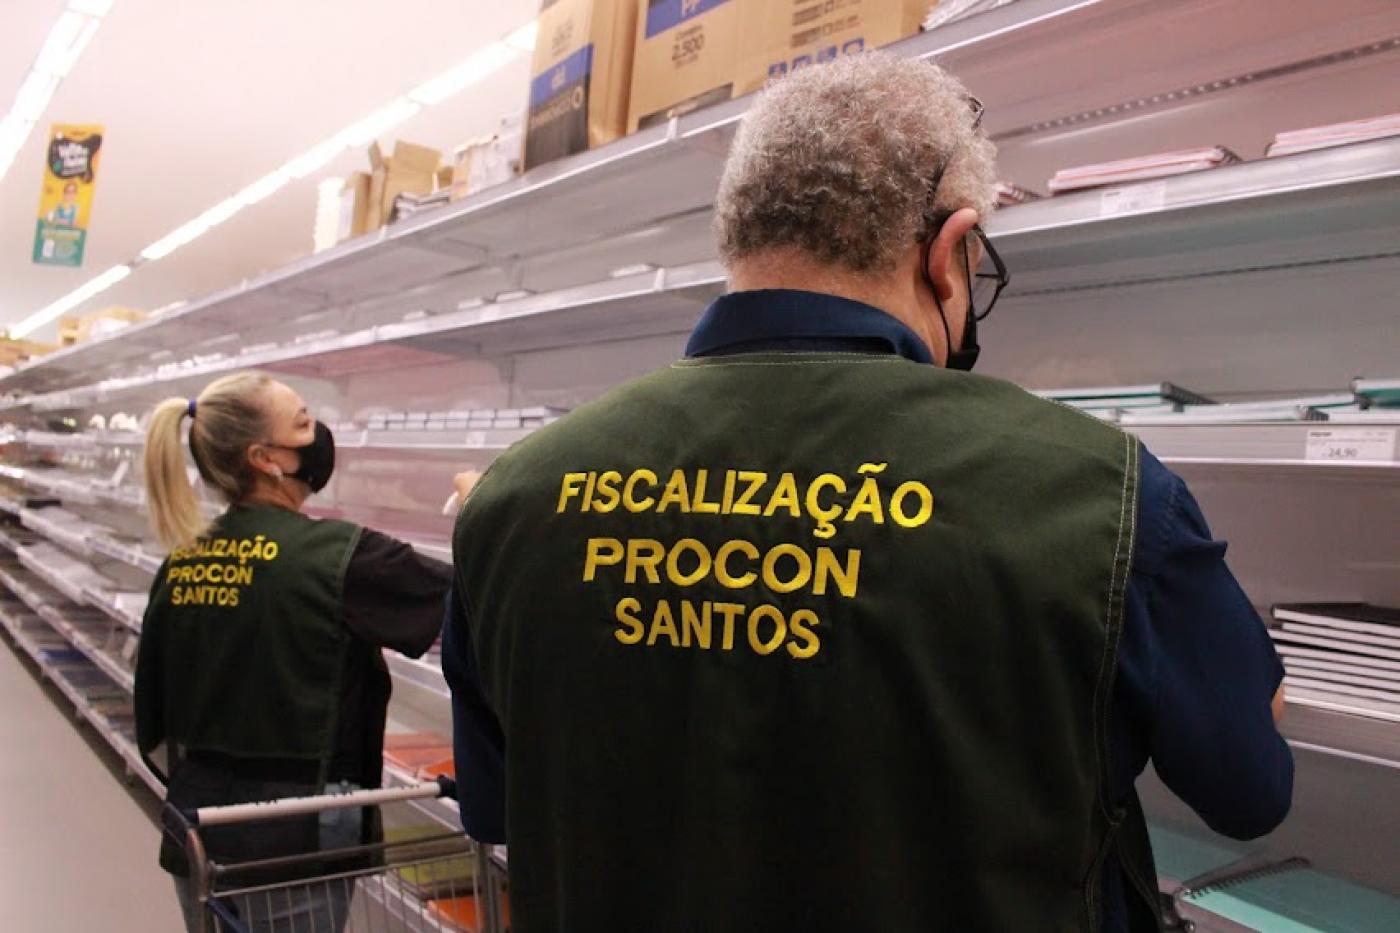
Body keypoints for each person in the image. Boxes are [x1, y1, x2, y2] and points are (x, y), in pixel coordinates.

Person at [444, 54, 1292, 932]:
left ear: (741, 238)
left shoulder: (515, 502)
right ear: (949, 250)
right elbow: (1249, 785)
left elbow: (501, 807)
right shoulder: (1105, 496)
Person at [135, 372, 466, 932]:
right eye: (304, 423)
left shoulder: (183, 559)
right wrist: (487, 505)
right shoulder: (338, 558)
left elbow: (153, 709)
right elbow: (480, 596)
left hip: (197, 823)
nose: (319, 435)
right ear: (266, 458)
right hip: (297, 831)